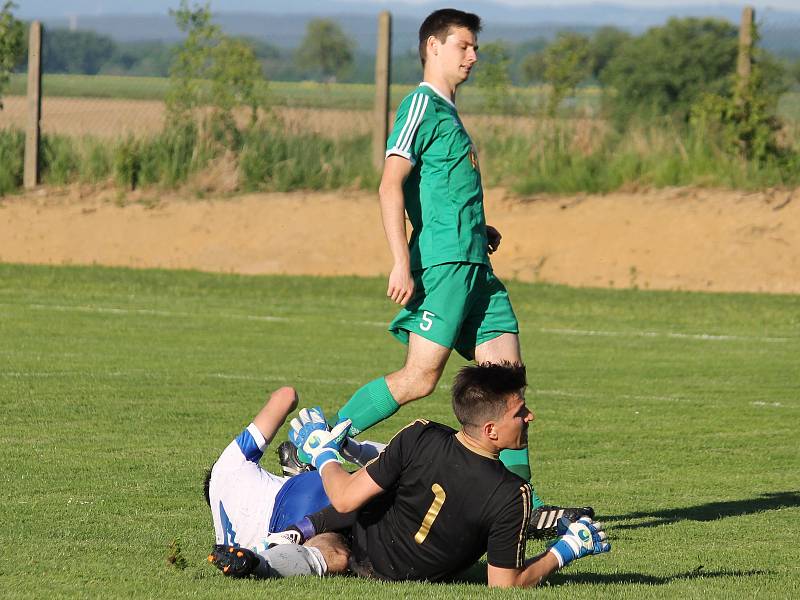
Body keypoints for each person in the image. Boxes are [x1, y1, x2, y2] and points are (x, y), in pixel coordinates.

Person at [280, 7, 589, 534]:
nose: (473, 56)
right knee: (420, 378)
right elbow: (389, 184)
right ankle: (318, 442)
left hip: (478, 272)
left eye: (475, 47)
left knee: (509, 391)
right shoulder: (420, 106)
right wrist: (402, 259)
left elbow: (442, 193)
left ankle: (520, 508)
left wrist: (478, 230)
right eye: (464, 46)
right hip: (444, 269)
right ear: (434, 48)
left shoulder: (449, 113)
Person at [217, 363, 610, 587]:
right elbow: (504, 585)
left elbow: (346, 499)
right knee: (336, 545)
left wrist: (325, 454)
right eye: (520, 412)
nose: (530, 416)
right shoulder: (513, 494)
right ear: (490, 430)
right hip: (400, 571)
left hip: (365, 540)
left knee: (333, 546)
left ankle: (269, 556)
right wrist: (564, 552)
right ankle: (285, 543)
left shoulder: (420, 434)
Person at [204, 386, 384, 578]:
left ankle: (272, 559)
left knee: (340, 553)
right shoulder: (223, 468)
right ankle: (306, 462)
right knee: (391, 478)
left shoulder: (224, 538)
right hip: (295, 496)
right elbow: (286, 396)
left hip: (285, 547)